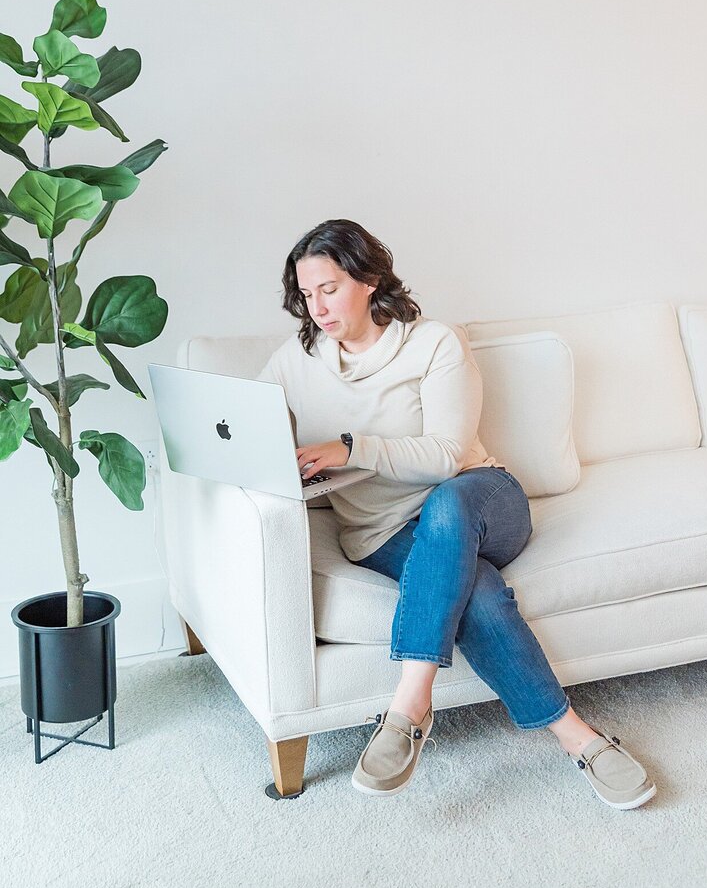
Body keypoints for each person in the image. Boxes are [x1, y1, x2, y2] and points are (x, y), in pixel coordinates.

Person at [258, 218, 656, 809]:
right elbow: (249, 427)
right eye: (306, 292)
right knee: (479, 591)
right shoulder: (295, 359)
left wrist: (349, 447)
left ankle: (410, 704)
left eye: (331, 287)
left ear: (368, 280)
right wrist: (273, 466)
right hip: (382, 533)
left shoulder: (433, 342)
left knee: (449, 504)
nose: (316, 306)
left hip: (481, 500)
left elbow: (447, 457)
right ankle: (580, 739)